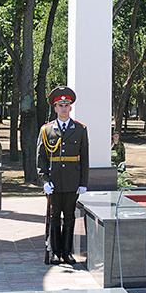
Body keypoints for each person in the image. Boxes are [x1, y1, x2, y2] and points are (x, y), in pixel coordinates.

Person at [37, 85, 89, 266]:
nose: (64, 108)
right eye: (60, 105)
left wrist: (83, 182)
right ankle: (54, 252)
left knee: (69, 217)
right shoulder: (46, 130)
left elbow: (84, 158)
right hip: (54, 182)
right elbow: (41, 158)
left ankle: (67, 252)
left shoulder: (80, 129)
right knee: (54, 217)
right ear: (55, 108)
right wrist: (44, 180)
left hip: (72, 181)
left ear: (71, 107)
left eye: (67, 105)